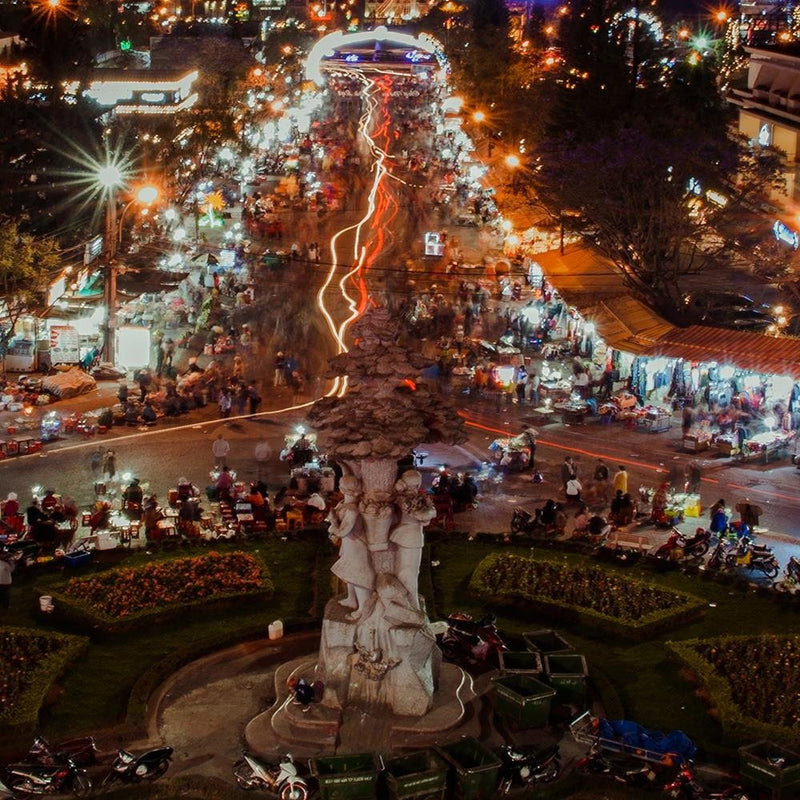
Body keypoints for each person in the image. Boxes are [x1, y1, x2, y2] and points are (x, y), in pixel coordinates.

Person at [328, 475, 374, 621]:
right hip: (349, 545)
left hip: (356, 547)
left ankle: (363, 609)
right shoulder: (344, 505)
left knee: (357, 575)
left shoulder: (353, 509)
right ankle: (352, 598)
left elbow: (343, 531)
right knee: (349, 573)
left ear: (342, 489)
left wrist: (333, 521)